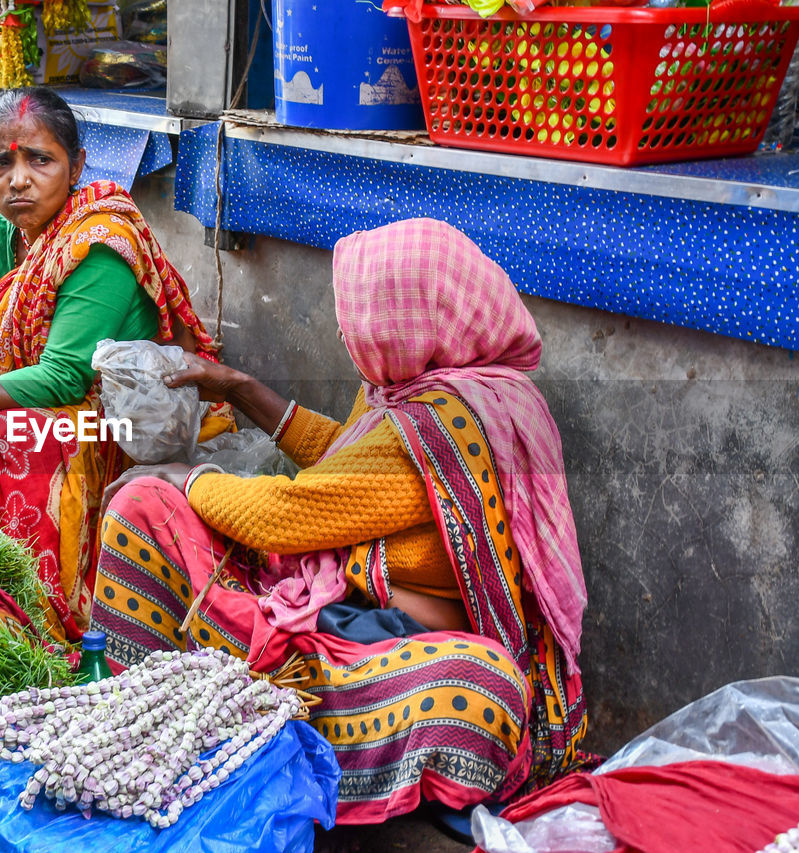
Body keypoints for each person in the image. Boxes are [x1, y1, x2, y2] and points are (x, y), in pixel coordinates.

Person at [92, 218, 590, 824]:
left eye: (360, 314)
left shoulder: (434, 424)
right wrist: (239, 388)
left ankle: (221, 719)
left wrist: (189, 477)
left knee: (480, 693)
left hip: (394, 641)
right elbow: (345, 462)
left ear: (411, 318)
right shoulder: (428, 392)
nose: (343, 329)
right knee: (143, 506)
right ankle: (202, 704)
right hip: (347, 609)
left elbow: (287, 516)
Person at [0, 87, 229, 642]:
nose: (19, 179)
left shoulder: (99, 241)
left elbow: (64, 378)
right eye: (1, 162)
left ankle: (35, 616)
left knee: (17, 436)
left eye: (40, 160)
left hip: (120, 422)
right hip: (32, 399)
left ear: (75, 166)